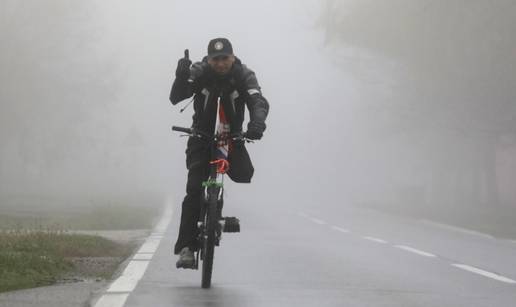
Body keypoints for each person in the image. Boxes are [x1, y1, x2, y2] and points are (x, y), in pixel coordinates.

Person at [169, 38, 270, 268]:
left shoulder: (245, 76)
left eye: (225, 58)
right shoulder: (199, 72)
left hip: (232, 138)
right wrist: (180, 75)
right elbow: (177, 97)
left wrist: (257, 124)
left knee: (244, 173)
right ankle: (186, 248)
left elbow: (258, 102)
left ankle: (216, 216)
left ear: (232, 57)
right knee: (194, 188)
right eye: (216, 59)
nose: (221, 63)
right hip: (201, 137)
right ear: (209, 59)